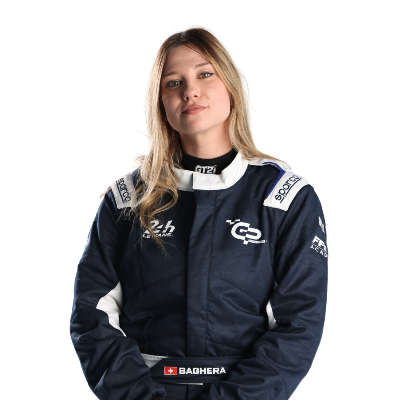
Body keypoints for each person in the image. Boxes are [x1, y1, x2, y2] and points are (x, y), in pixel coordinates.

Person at [69, 25, 328, 400]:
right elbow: (92, 314)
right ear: (160, 102)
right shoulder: (126, 199)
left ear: (232, 86)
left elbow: (299, 322)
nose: (189, 91)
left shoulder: (285, 197)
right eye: (173, 82)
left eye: (205, 74)